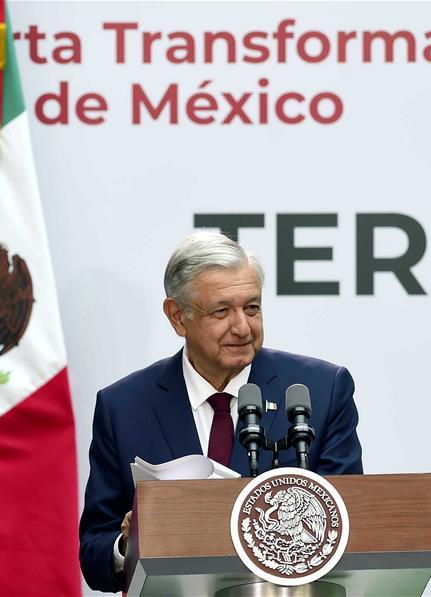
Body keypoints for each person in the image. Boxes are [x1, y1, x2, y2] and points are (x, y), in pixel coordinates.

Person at [78, 232, 363, 593]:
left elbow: (351, 531)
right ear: (177, 317)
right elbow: (94, 553)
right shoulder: (123, 406)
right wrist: (130, 545)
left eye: (252, 308)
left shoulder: (319, 391)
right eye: (222, 311)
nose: (242, 328)